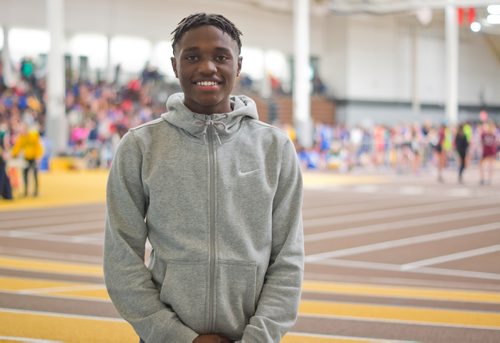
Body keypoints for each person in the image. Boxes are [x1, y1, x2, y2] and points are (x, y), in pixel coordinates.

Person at [103, 13, 304, 343]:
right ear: (174, 65)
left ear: (238, 66)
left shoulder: (274, 147)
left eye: (221, 57)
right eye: (193, 56)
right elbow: (120, 256)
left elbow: (288, 258)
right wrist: (175, 336)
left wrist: (258, 337)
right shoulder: (140, 146)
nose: (208, 67)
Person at [11, 123, 44, 197]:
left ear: (25, 129)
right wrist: (13, 154)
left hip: (34, 157)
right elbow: (17, 147)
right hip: (26, 158)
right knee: (25, 174)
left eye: (21, 129)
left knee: (35, 174)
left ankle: (36, 191)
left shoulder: (33, 135)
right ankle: (26, 192)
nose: (20, 131)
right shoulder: (21, 137)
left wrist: (38, 157)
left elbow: (38, 146)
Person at [479, 121, 498, 185]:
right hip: (491, 151)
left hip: (486, 151)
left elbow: (481, 142)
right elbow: (496, 143)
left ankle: (483, 179)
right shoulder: (493, 134)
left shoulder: (484, 134)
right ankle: (488, 179)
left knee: (482, 165)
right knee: (490, 166)